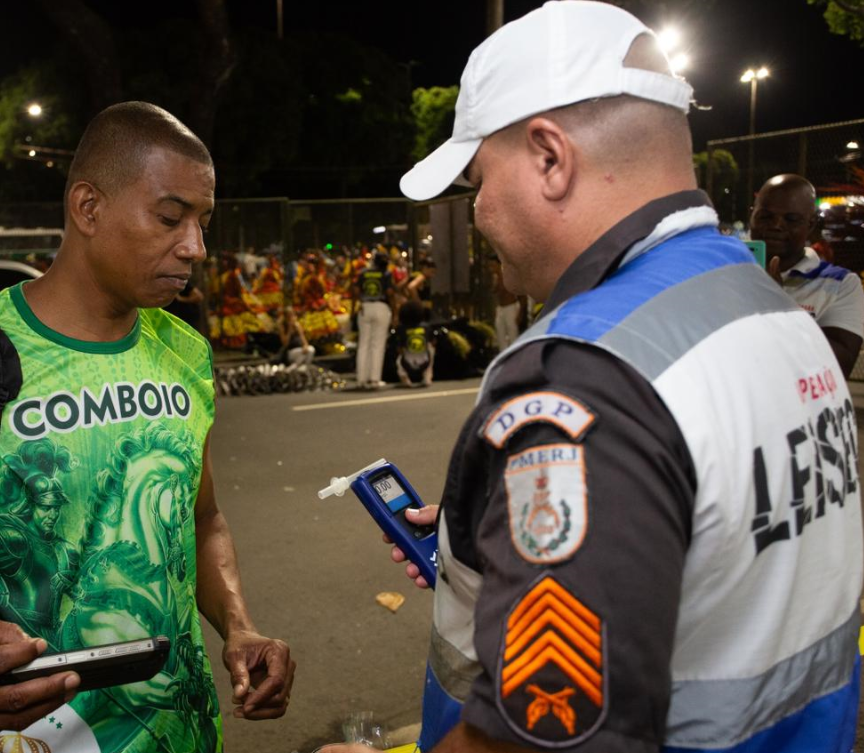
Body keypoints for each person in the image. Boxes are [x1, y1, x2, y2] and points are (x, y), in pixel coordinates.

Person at [323, 3, 860, 752]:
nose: (478, 212)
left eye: (479, 180)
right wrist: (517, 521)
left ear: (550, 157)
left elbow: (546, 733)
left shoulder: (583, 371)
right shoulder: (763, 304)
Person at [0, 102, 295, 751]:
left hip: (183, 730)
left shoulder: (185, 352)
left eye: (203, 222)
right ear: (87, 207)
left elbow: (201, 518)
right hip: (25, 737)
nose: (195, 247)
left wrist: (238, 626)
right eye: (170, 217)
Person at [750, 173, 864, 377]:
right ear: (752, 216)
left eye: (791, 219)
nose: (776, 225)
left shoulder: (842, 285)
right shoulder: (721, 273)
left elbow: (840, 366)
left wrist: (777, 305)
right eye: (766, 216)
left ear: (810, 224)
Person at [354, 251, 396, 389]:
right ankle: (374, 379)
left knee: (363, 344)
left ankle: (361, 379)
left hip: (365, 307)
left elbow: (356, 290)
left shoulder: (363, 273)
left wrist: (357, 305)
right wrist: (395, 312)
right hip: (381, 306)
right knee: (377, 345)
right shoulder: (386, 274)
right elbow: (390, 293)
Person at [395, 300, 434, 387]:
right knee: (430, 348)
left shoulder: (401, 329)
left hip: (406, 362)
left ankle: (405, 379)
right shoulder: (426, 327)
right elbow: (433, 342)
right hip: (425, 361)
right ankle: (427, 377)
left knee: (399, 359)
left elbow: (399, 347)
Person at [491, 257, 525, 352]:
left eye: (493, 265)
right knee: (500, 332)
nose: (491, 268)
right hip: (500, 308)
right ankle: (503, 354)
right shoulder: (496, 277)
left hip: (511, 307)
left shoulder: (509, 275)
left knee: (512, 333)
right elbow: (495, 292)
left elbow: (521, 295)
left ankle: (515, 355)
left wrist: (520, 312)